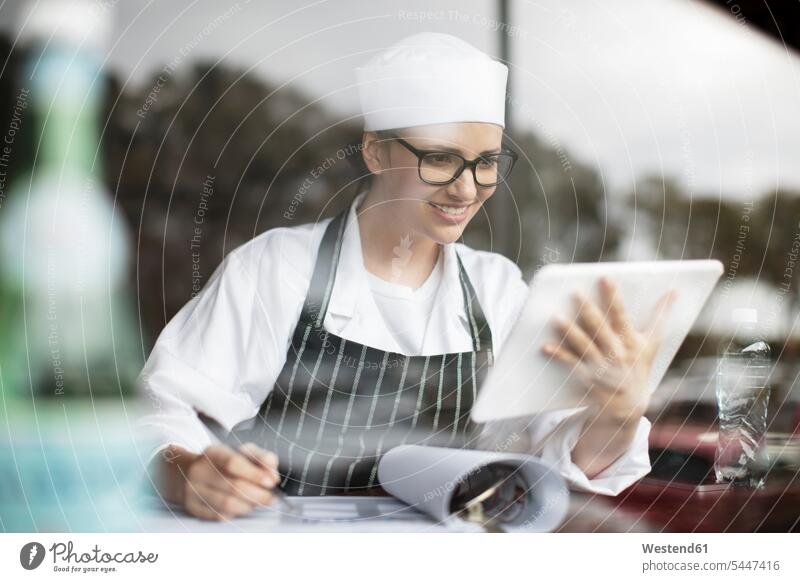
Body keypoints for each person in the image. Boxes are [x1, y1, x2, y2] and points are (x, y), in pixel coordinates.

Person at [138, 32, 675, 521]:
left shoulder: (496, 290)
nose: (467, 190)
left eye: (486, 162)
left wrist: (619, 413)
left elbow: (551, 454)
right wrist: (186, 470)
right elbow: (159, 415)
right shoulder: (276, 269)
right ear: (375, 151)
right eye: (441, 160)